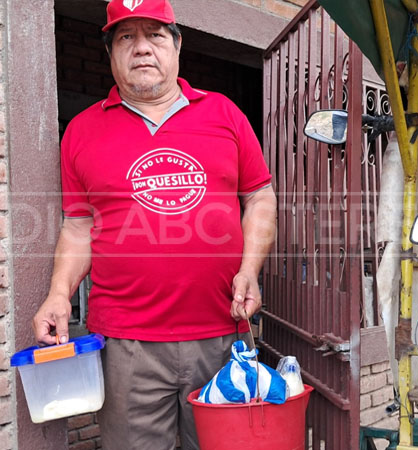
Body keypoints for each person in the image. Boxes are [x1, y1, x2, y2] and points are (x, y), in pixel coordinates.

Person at [32, 0, 277, 448]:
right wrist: (57, 294)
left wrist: (250, 269)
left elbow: (259, 196)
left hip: (221, 333)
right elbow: (78, 225)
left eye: (155, 35)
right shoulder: (83, 131)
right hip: (127, 345)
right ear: (110, 52)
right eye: (127, 37)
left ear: (177, 45)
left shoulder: (224, 114)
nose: (142, 48)